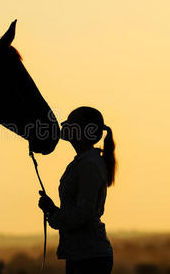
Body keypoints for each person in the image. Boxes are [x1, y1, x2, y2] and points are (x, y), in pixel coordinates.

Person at [38, 106, 116, 274]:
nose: (64, 125)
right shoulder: (84, 163)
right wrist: (52, 211)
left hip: (89, 258)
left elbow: (82, 215)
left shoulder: (88, 166)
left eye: (70, 122)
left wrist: (53, 214)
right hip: (82, 255)